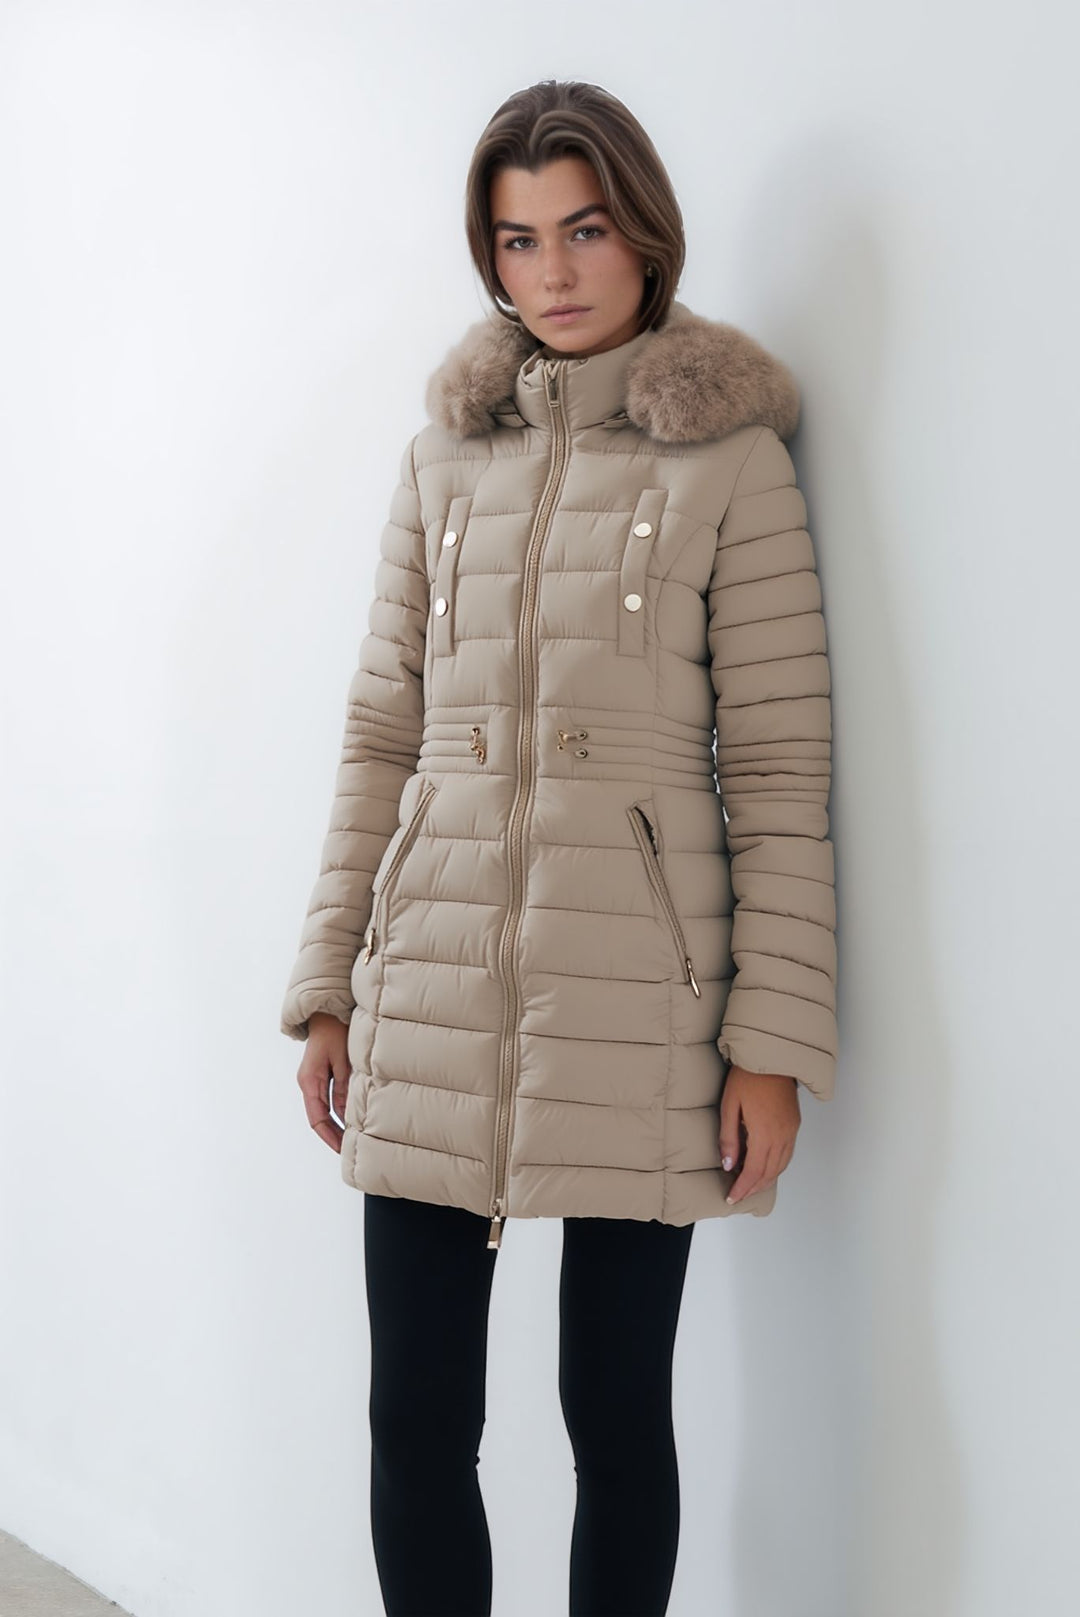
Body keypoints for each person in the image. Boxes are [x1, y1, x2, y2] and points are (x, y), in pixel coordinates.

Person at [280, 78, 837, 1617]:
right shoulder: (441, 463)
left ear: (645, 232)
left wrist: (772, 1042)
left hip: (639, 1005)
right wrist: (327, 987)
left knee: (618, 1417)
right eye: (519, 241)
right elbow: (380, 733)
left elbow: (779, 767)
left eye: (584, 230)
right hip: (432, 987)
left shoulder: (732, 464)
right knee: (414, 1420)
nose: (555, 272)